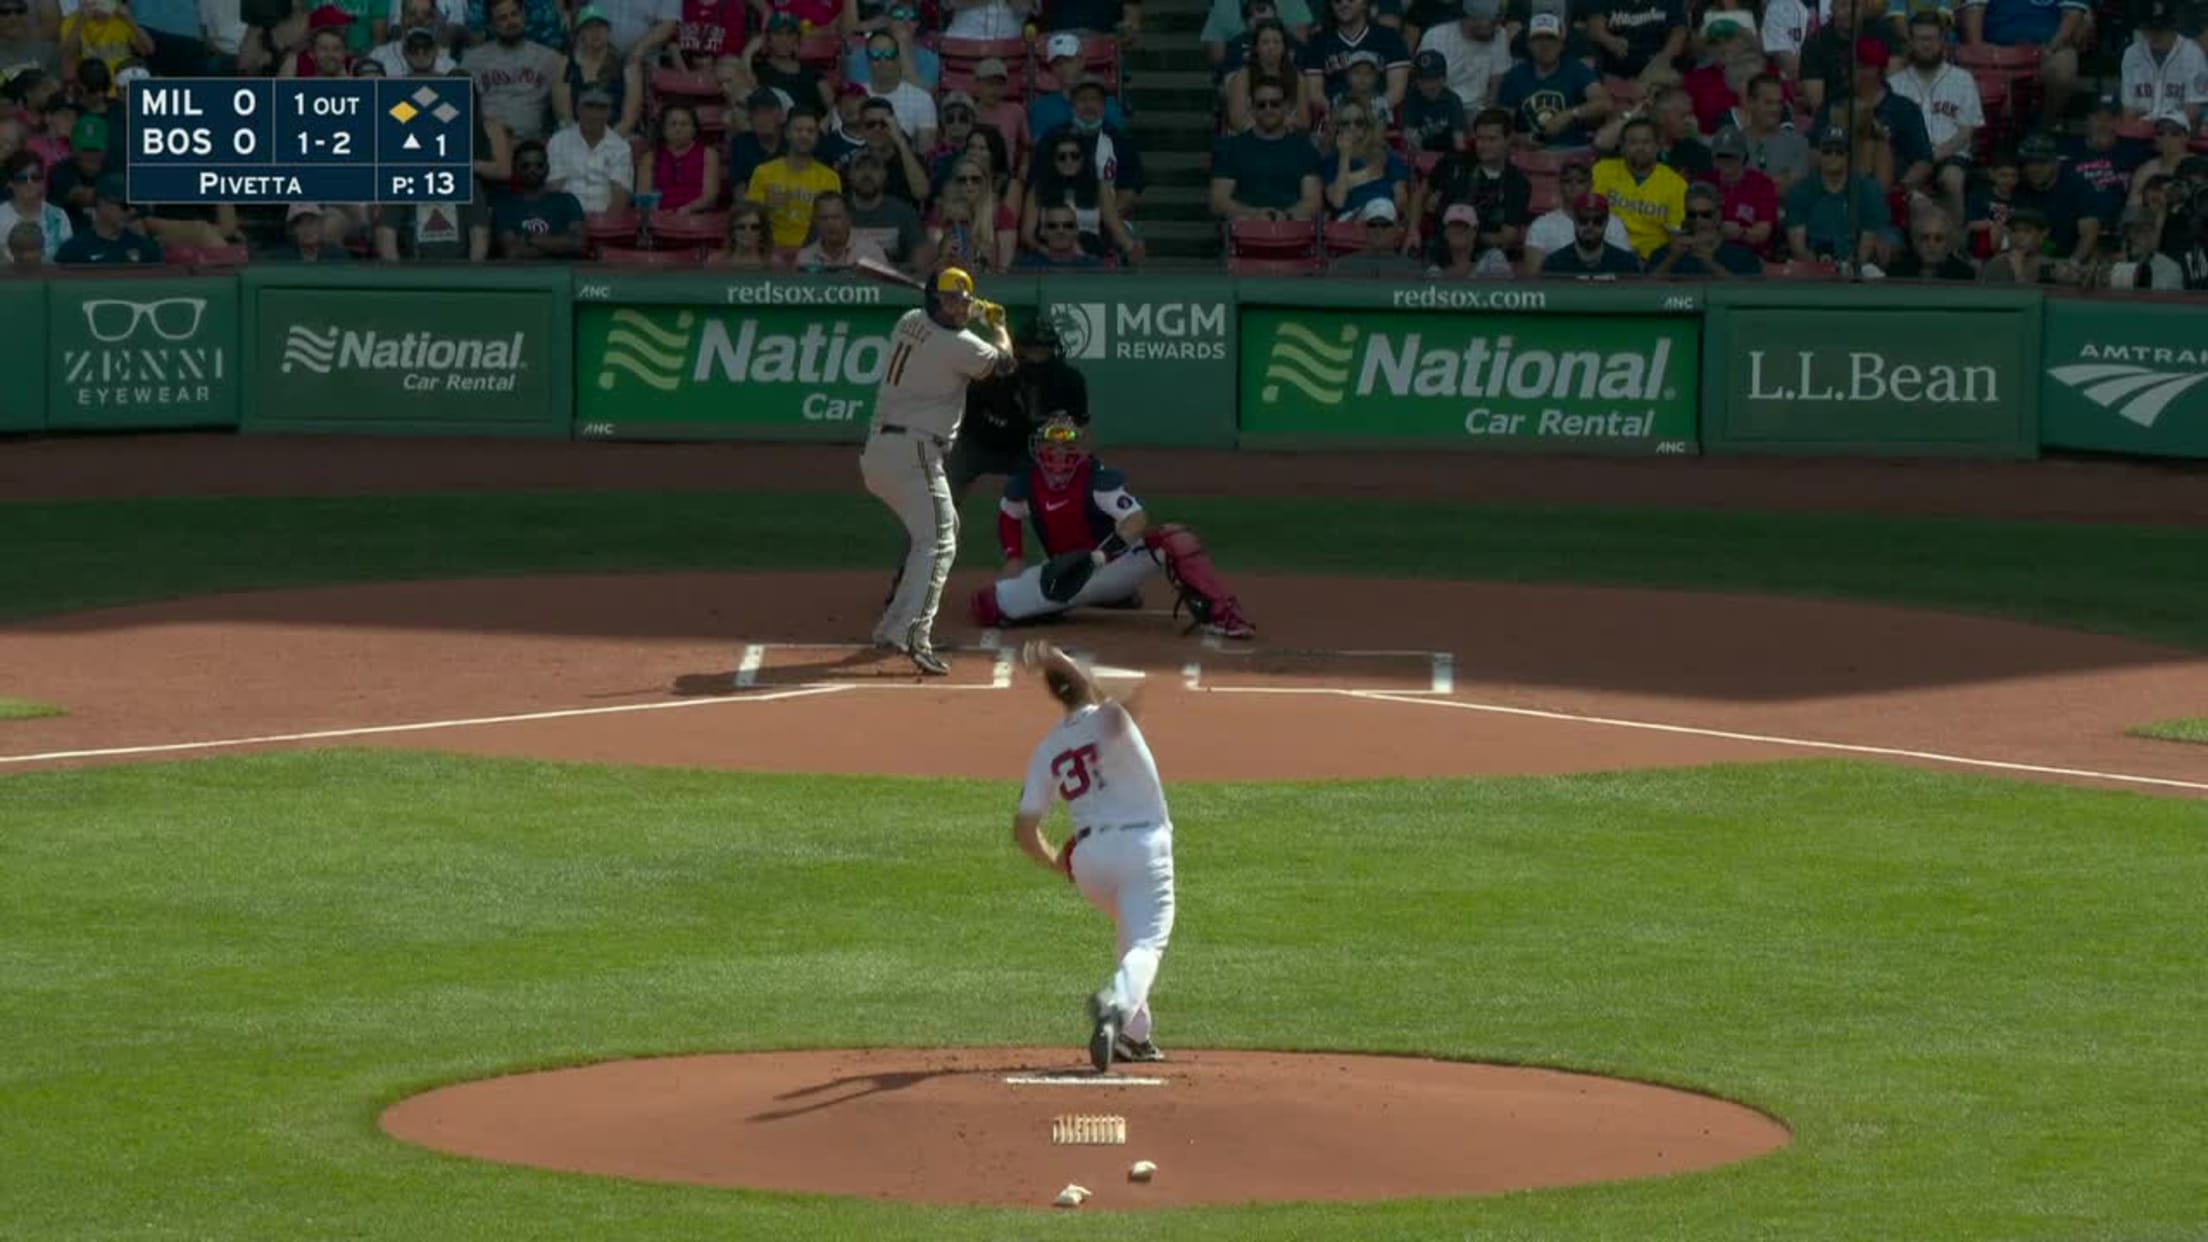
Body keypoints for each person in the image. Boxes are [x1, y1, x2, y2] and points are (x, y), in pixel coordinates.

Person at [1008, 639, 1176, 1073]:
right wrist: (1062, 660)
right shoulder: (1111, 719)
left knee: (1129, 930)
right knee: (1146, 942)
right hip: (1143, 848)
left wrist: (1058, 864)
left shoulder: (1048, 749)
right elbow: (1134, 688)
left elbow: (1024, 831)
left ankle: (1134, 1036)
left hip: (1088, 861)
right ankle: (1114, 1006)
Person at [861, 267, 1016, 676]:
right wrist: (997, 325)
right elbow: (1005, 363)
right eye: (950, 301)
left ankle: (894, 628)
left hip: (883, 451)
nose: (959, 309)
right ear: (934, 301)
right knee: (940, 542)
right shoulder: (960, 345)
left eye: (963, 301)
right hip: (914, 452)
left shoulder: (909, 321)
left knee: (929, 538)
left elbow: (949, 323)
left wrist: (968, 311)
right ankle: (916, 633)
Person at [974, 416, 1255, 637]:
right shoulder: (1027, 484)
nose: (1059, 457)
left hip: (1113, 566)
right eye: (1052, 450)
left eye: (1067, 450)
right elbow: (1009, 514)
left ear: (1079, 451)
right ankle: (1077, 603)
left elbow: (1136, 519)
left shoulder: (1097, 480)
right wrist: (1014, 555)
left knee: (1175, 537)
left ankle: (1226, 613)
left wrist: (1102, 555)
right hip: (1064, 576)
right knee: (987, 605)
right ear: (1040, 451)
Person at [950, 314, 1089, 506]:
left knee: (1060, 479)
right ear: (1018, 349)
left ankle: (1057, 527)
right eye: (1031, 350)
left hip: (1029, 449)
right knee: (946, 483)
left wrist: (1057, 437)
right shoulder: (992, 373)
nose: (1037, 356)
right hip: (979, 441)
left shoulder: (1069, 380)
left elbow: (1080, 424)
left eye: (1044, 350)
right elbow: (965, 412)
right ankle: (930, 532)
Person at [1211, 76, 1324, 220]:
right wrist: (1254, 215)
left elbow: (1313, 201)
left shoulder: (1305, 149)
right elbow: (1219, 201)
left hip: (1294, 233)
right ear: (1251, 108)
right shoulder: (1230, 148)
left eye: (1275, 104)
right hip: (1244, 234)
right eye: (1261, 105)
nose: (1268, 109)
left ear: (1287, 107)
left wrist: (1285, 216)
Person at [1497, 12, 1609, 150]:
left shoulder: (1576, 70)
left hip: (1573, 151)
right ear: (1529, 45)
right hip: (1530, 154)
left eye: (1551, 38)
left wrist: (1570, 114)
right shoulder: (1514, 77)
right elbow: (1500, 127)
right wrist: (1523, 139)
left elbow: (1604, 103)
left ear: (1561, 44)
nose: (1545, 45)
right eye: (1538, 39)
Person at [1591, 114, 1687, 258]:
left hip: (1651, 260)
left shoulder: (1676, 184)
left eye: (1646, 142)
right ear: (1622, 147)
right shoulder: (1601, 171)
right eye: (1633, 142)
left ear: (1657, 147)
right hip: (1606, 254)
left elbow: (1676, 238)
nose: (1640, 148)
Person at [746, 108, 840, 250]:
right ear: (787, 134)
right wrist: (766, 206)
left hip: (814, 251)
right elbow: (748, 218)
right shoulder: (763, 172)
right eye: (798, 130)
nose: (804, 135)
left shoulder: (830, 177)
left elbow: (833, 222)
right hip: (770, 250)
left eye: (810, 131)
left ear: (817, 137)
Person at [546, 84, 636, 213]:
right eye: (589, 106)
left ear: (609, 112)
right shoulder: (559, 141)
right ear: (578, 109)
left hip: (605, 218)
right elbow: (553, 188)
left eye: (601, 108)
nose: (594, 113)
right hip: (566, 216)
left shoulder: (621, 147)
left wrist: (605, 226)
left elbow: (620, 196)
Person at [493, 138, 589, 257]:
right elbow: (512, 251)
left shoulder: (567, 201)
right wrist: (559, 245)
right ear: (514, 169)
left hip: (562, 272)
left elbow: (578, 244)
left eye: (539, 165)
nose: (532, 170)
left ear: (547, 168)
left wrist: (529, 239)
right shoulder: (504, 204)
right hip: (520, 273)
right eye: (525, 166)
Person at [2120, 0, 2205, 127]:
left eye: (2160, 29)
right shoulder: (2132, 54)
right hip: (2141, 132)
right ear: (2142, 27)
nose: (2154, 34)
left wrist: (2163, 126)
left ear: (2172, 26)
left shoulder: (2193, 54)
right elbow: (2128, 112)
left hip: (2177, 135)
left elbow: (2194, 112)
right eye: (2150, 28)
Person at [1645, 180, 1761, 275]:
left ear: (1718, 216)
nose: (1698, 220)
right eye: (1692, 214)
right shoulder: (1668, 253)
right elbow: (1644, 291)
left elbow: (1746, 295)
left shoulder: (1742, 255)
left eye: (1705, 215)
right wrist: (1672, 258)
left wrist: (1710, 263)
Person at [1415, 0, 1509, 110]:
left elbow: (1497, 77)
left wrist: (1490, 106)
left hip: (1479, 107)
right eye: (1493, 23)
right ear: (1473, 19)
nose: (1498, 27)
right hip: (1441, 105)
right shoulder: (1436, 36)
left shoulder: (1499, 35)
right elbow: (1422, 80)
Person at [638, 101, 718, 213]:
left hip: (696, 213)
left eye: (684, 124)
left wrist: (686, 210)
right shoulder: (650, 157)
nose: (678, 129)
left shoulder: (708, 154)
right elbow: (644, 196)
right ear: (663, 129)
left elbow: (710, 195)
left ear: (694, 129)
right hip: (658, 216)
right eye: (673, 124)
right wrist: (659, 214)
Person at [1540, 192, 1643, 274]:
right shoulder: (1554, 263)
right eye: (1583, 220)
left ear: (1606, 222)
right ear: (1574, 221)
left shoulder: (1626, 264)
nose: (1590, 226)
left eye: (1597, 221)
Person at [1882, 202, 1978, 279]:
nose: (1931, 244)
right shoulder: (1896, 274)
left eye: (1938, 239)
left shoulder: (1964, 276)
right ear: (1915, 241)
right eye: (1925, 238)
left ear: (1948, 243)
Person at [1400, 49, 1466, 151]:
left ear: (1443, 79)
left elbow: (1459, 140)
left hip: (1448, 155)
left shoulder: (1453, 101)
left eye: (1434, 79)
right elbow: (1410, 136)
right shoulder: (1411, 100)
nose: (1429, 85)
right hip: (1420, 156)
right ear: (1416, 81)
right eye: (1423, 80)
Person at [265, 201, 351, 260]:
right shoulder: (281, 258)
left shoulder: (337, 257)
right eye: (300, 223)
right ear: (292, 230)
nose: (306, 229)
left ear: (320, 225)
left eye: (311, 222)